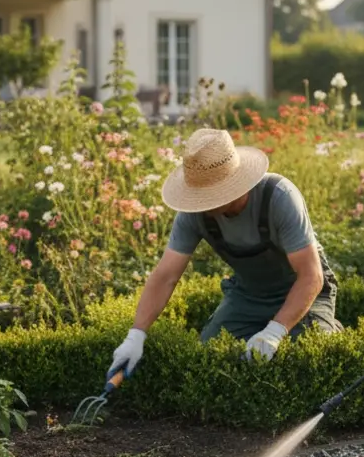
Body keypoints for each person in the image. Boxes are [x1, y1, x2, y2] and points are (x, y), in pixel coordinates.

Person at [108, 128, 341, 376]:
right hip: (249, 295)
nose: (203, 203)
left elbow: (311, 276)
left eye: (210, 196)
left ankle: (326, 326)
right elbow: (166, 275)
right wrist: (136, 335)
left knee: (313, 359)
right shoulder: (194, 212)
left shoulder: (279, 197)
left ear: (236, 184)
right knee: (209, 359)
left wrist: (274, 331)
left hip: (304, 291)